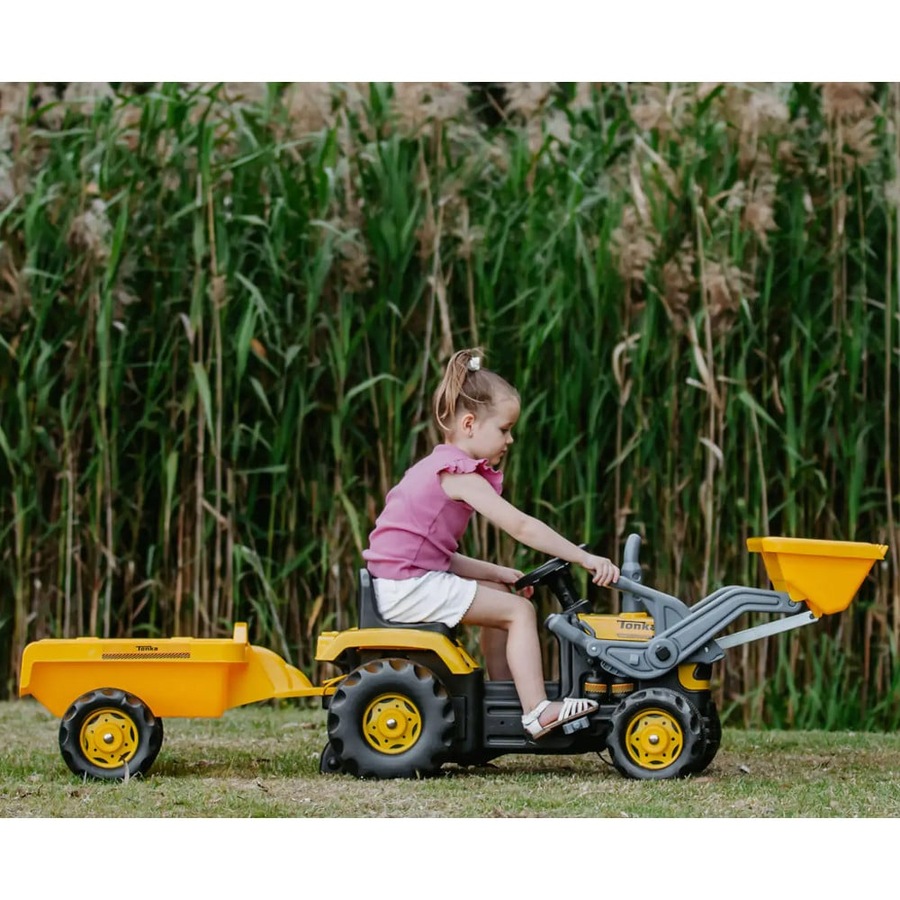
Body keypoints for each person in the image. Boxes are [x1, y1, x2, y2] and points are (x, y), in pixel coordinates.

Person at [363, 348, 620, 739]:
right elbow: (520, 526)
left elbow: (437, 556)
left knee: (502, 592)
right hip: (407, 589)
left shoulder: (438, 466)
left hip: (406, 581)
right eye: (504, 429)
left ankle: (507, 696)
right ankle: (536, 710)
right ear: (469, 424)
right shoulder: (459, 475)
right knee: (518, 612)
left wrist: (498, 572)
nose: (510, 439)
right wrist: (583, 557)